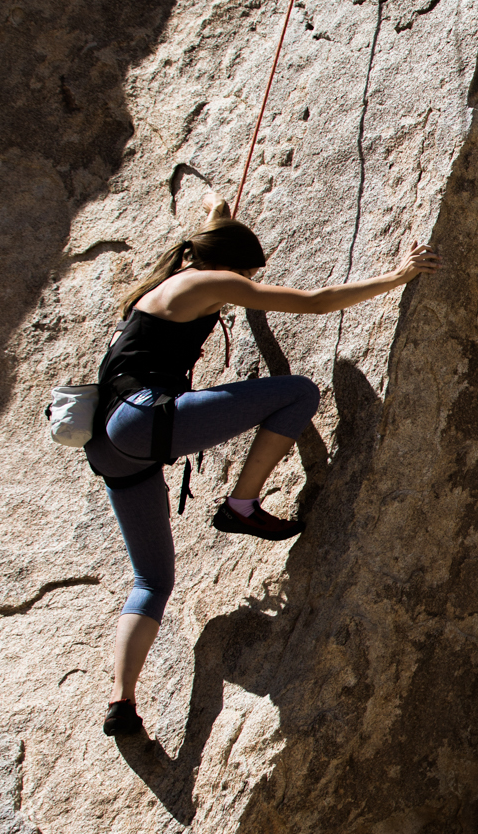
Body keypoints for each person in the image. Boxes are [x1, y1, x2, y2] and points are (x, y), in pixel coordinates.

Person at [86, 198, 440, 738]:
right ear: (231, 266)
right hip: (145, 421)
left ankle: (121, 702)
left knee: (152, 581)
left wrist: (217, 210)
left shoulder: (170, 281)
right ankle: (240, 505)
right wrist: (398, 275)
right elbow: (316, 303)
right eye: (250, 273)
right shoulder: (208, 283)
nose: (250, 283)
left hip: (111, 443)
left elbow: (214, 234)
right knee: (297, 394)